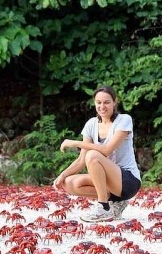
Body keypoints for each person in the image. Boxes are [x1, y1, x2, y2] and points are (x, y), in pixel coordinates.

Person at [53, 85, 141, 222]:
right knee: (69, 183)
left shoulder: (124, 120)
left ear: (115, 102)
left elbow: (107, 150)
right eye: (98, 102)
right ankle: (115, 203)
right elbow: (81, 160)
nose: (102, 106)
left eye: (106, 102)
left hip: (128, 181)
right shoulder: (91, 124)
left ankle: (103, 208)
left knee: (93, 155)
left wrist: (75, 143)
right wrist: (62, 175)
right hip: (108, 182)